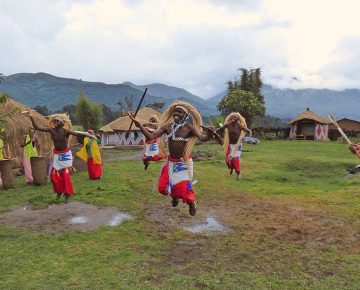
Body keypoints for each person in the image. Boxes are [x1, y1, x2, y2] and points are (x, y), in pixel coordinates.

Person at [129, 101, 214, 216]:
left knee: (184, 189)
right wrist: (139, 125)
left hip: (184, 164)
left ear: (185, 115)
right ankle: (174, 196)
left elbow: (203, 138)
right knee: (162, 187)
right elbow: (150, 136)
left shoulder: (189, 128)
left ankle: (191, 203)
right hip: (171, 163)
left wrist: (210, 134)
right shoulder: (167, 127)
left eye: (179, 112)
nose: (176, 114)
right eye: (175, 111)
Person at [27, 112, 95, 203]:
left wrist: (88, 134)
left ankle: (68, 194)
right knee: (54, 175)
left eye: (56, 122)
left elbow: (76, 134)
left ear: (61, 123)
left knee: (65, 175)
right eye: (54, 122)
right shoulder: (51, 130)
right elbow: (37, 127)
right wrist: (31, 117)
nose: (55, 123)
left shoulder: (66, 131)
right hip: (57, 155)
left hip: (66, 155)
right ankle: (59, 191)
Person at [216, 112, 252, 180]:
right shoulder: (228, 125)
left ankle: (238, 173)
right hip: (230, 145)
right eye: (232, 117)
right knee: (227, 161)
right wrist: (214, 132)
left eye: (235, 117)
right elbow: (219, 129)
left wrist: (249, 138)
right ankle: (231, 168)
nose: (233, 118)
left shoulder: (240, 126)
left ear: (238, 119)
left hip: (238, 145)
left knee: (235, 159)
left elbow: (249, 131)